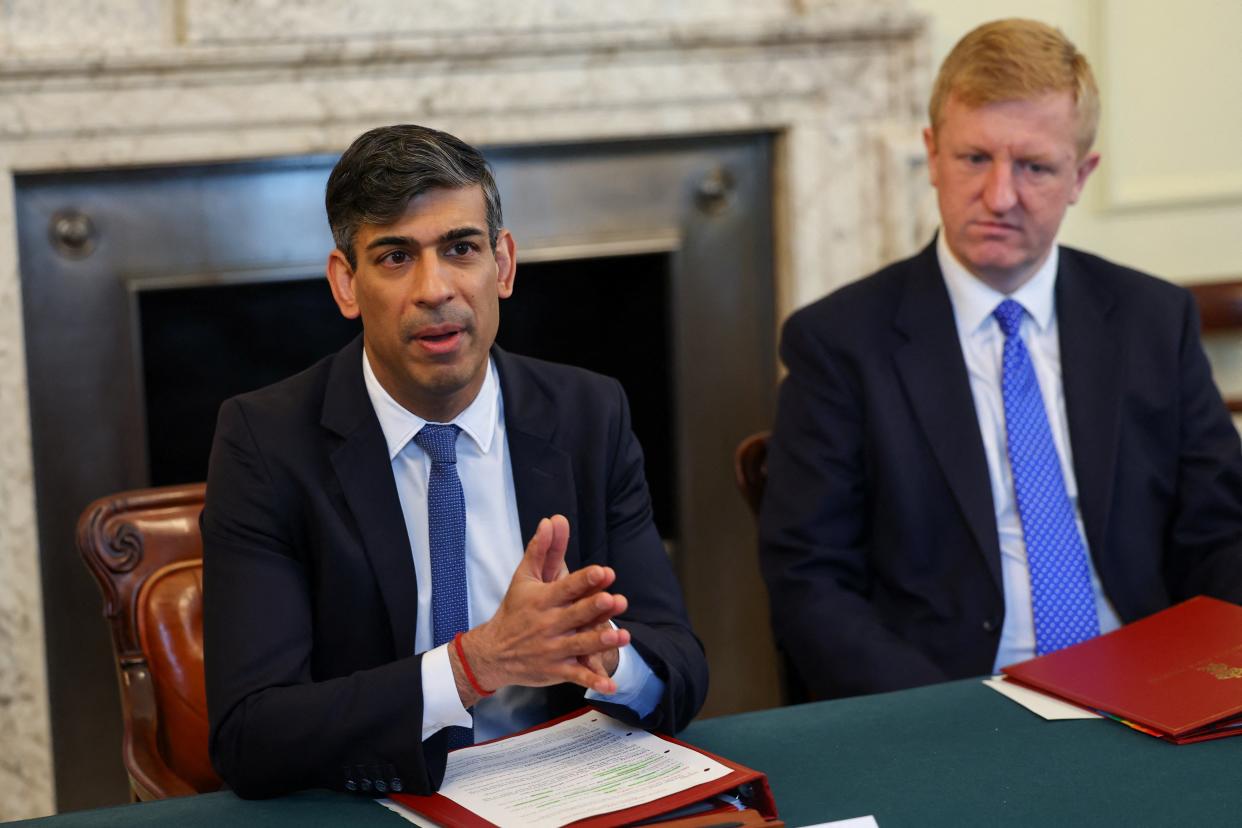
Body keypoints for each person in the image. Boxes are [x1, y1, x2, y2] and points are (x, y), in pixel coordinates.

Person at [202, 124, 708, 798]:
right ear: (345, 284)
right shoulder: (266, 441)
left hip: (562, 791)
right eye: (394, 257)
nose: (434, 288)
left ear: (501, 265)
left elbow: (682, 664)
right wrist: (473, 666)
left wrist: (610, 656)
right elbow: (250, 734)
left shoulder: (589, 412)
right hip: (382, 800)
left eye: (460, 248)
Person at [759, 18, 1242, 700]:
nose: (1000, 197)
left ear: (1082, 175)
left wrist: (1213, 680)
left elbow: (1221, 535)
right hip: (948, 701)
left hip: (1150, 685)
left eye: (1035, 167)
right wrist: (944, 719)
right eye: (974, 158)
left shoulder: (1150, 321)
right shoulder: (840, 344)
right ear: (931, 155)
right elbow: (810, 584)